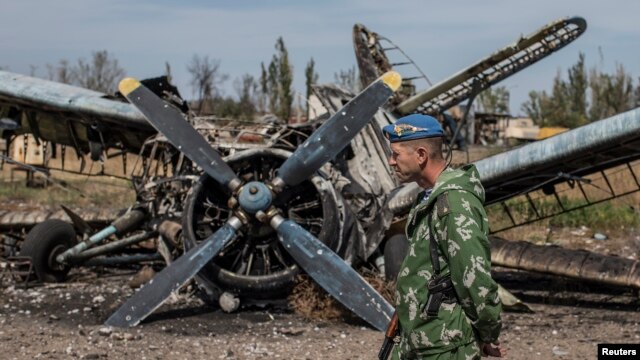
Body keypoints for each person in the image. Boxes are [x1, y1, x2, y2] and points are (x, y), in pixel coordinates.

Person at [382, 114, 505, 359]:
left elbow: (474, 278)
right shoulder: (429, 198)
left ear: (421, 155)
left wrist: (488, 333)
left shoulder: (454, 204)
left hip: (444, 347)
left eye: (396, 154)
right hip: (421, 339)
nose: (391, 161)